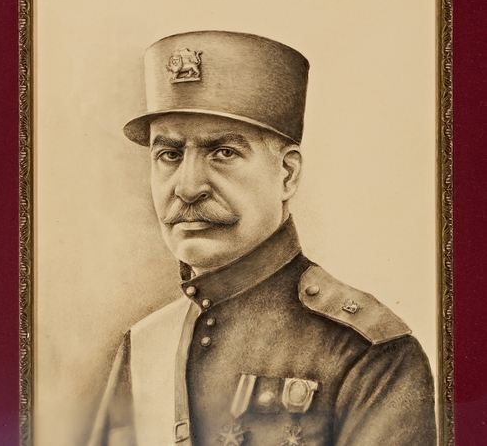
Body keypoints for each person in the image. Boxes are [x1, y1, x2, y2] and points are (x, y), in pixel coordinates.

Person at [88, 31, 436, 446]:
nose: (187, 187)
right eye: (170, 155)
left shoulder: (368, 353)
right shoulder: (145, 344)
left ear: (287, 175)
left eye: (223, 153)